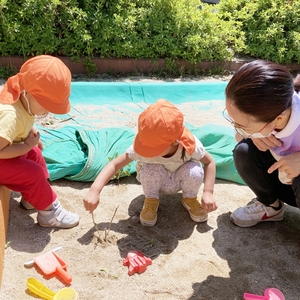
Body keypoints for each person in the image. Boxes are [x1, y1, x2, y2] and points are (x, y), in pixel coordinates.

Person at [83, 99, 217, 226]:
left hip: (180, 180)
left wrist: (208, 192)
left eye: (153, 148)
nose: (148, 151)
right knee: (150, 168)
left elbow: (209, 162)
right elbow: (114, 164)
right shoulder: (142, 148)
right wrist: (95, 190)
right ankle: (151, 200)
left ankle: (189, 198)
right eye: (145, 146)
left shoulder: (189, 145)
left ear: (175, 141)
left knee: (194, 170)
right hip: (156, 182)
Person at [0, 55, 79, 229]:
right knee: (33, 172)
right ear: (28, 93)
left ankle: (32, 198)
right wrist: (26, 145)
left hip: (5, 148)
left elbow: (22, 120)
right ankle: (49, 214)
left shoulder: (20, 94)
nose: (47, 112)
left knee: (35, 153)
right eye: (45, 105)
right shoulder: (10, 116)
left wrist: (29, 133)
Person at [223, 59, 300, 227]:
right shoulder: (275, 106)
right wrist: (253, 135)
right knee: (244, 150)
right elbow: (238, 136)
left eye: (243, 125)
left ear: (277, 119)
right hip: (285, 183)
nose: (237, 128)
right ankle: (271, 207)